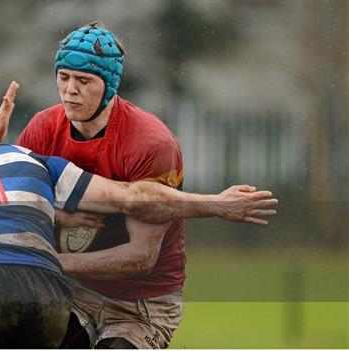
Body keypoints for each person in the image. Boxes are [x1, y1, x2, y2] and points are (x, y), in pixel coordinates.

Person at [0, 87, 276, 348]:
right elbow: (133, 197)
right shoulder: (30, 161)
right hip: (49, 295)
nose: (70, 90)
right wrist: (215, 204)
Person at [13, 21, 264, 348]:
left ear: (110, 85)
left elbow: (140, 256)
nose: (69, 90)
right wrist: (60, 218)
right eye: (63, 77)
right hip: (71, 292)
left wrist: (51, 261)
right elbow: (20, 208)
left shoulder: (150, 143)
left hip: (141, 306)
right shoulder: (42, 129)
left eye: (84, 80)